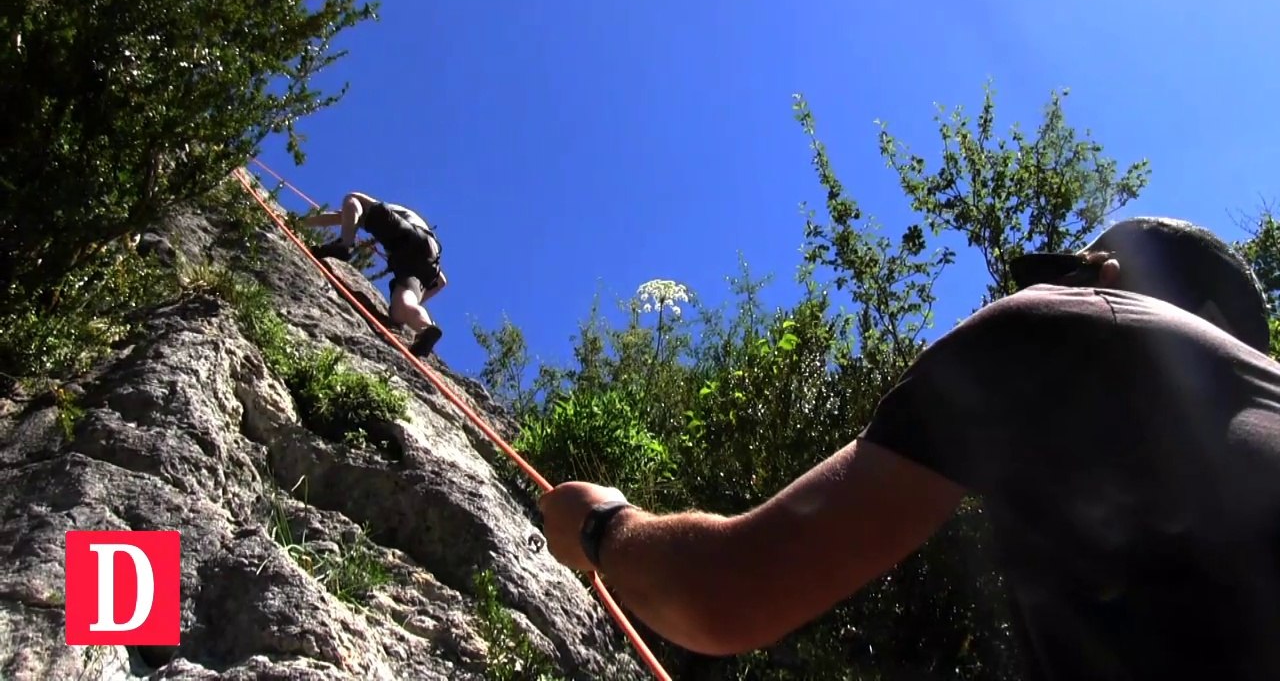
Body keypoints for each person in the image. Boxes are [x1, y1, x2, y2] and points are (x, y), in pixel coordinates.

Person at [538, 216, 1280, 681]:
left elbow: (728, 592)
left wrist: (601, 526)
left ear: (1109, 277)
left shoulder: (1077, 321)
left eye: (1075, 270)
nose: (1062, 286)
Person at [305, 191, 446, 358]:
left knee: (353, 197)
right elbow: (441, 282)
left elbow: (342, 215)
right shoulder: (399, 219)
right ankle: (425, 328)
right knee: (400, 309)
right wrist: (414, 295)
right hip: (428, 260)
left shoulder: (383, 212)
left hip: (411, 236)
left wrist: (301, 222)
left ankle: (344, 245)